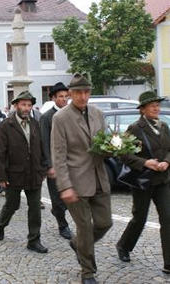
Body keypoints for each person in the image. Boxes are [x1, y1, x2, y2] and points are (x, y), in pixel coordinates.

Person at [51, 73, 112, 284]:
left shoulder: (98, 113)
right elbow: (58, 155)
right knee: (85, 227)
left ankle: (78, 243)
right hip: (76, 183)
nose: (83, 97)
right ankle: (88, 272)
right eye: (78, 92)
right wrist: (65, 185)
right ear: (70, 94)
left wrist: (112, 148)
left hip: (99, 178)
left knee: (105, 223)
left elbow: (104, 142)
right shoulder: (60, 118)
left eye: (86, 92)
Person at [116, 91, 170, 275]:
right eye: (152, 105)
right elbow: (123, 154)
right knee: (140, 218)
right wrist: (145, 162)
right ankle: (123, 246)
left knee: (168, 218)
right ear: (143, 109)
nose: (156, 108)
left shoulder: (163, 126)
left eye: (157, 104)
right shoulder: (134, 128)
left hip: (163, 180)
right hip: (143, 181)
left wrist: (167, 162)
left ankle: (168, 263)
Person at [0, 91, 48, 253]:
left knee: (34, 208)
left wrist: (44, 167)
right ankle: (0, 223)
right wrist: (1, 177)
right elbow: (0, 153)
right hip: (14, 173)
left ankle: (34, 239)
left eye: (29, 105)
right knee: (12, 204)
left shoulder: (35, 123)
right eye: (23, 105)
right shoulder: (6, 125)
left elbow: (41, 146)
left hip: (34, 173)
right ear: (16, 105)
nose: (26, 108)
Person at [40, 82, 73, 240]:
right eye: (61, 97)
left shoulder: (73, 114)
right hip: (55, 164)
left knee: (71, 196)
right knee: (57, 198)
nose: (64, 99)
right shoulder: (47, 117)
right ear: (53, 98)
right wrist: (49, 165)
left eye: (66, 96)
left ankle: (58, 211)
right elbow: (44, 142)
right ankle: (63, 225)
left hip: (72, 163)